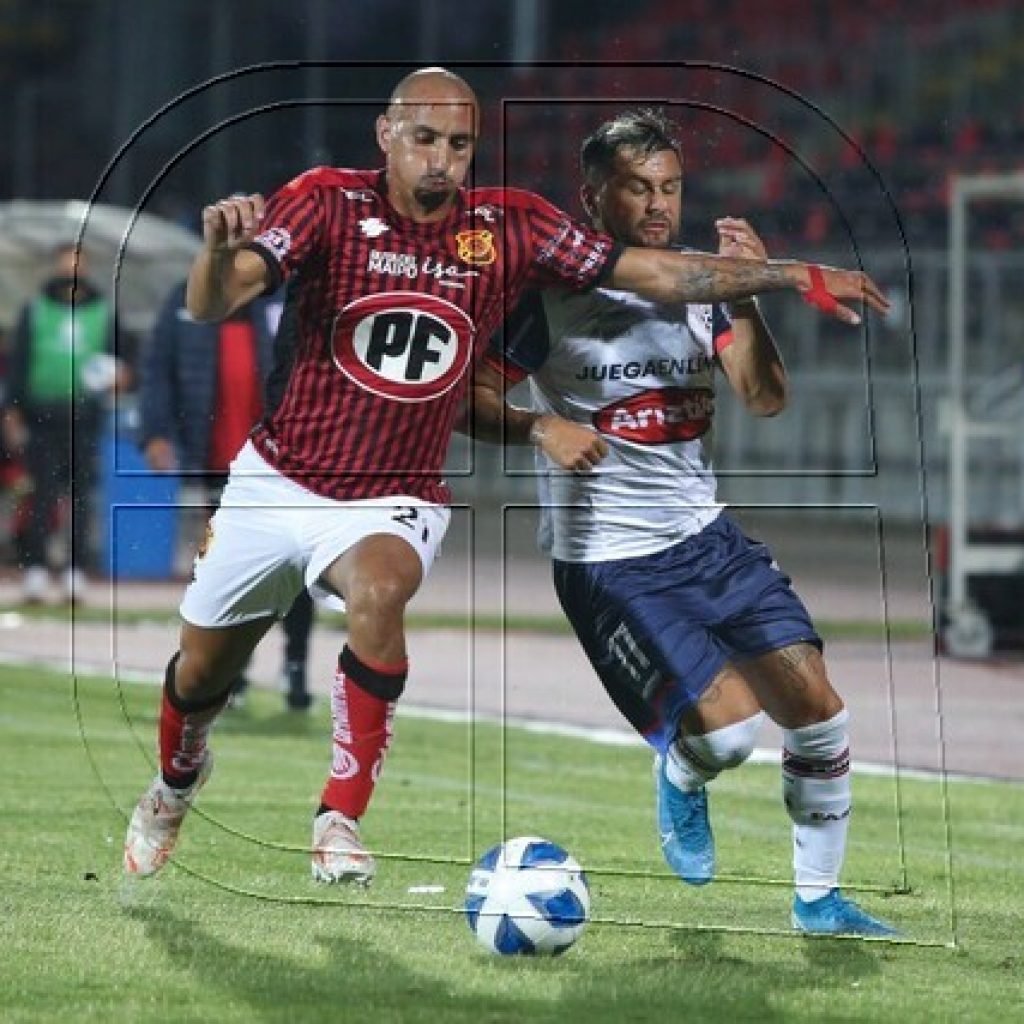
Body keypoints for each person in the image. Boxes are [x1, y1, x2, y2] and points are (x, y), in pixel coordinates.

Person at [122, 68, 889, 887]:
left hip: (397, 492)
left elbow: (664, 279)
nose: (442, 160)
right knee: (201, 675)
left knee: (381, 595)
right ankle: (176, 781)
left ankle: (338, 816)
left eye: (459, 144)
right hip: (281, 479)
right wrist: (214, 254)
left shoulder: (512, 228)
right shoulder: (323, 200)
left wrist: (791, 275)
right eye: (425, 139)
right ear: (386, 133)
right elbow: (214, 302)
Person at [468, 109, 896, 936]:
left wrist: (760, 293)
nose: (659, 205)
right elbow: (468, 401)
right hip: (611, 560)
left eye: (670, 187)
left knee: (821, 713)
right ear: (595, 199)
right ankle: (683, 775)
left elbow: (765, 399)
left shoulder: (708, 292)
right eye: (638, 189)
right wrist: (537, 425)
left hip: (709, 539)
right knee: (730, 737)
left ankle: (819, 903)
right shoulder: (550, 298)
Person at [140, 279, 314, 711]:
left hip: (289, 460)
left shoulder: (285, 295)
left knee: (300, 566)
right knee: (234, 572)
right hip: (220, 460)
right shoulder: (188, 297)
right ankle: (233, 670)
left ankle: (295, 665)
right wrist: (154, 432)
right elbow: (158, 367)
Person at [1, 244, 126, 604]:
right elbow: (19, 362)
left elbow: (122, 360)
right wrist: (12, 410)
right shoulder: (36, 310)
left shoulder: (103, 312)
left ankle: (75, 572)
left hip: (85, 416)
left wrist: (121, 378)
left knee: (82, 497)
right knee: (42, 495)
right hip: (43, 415)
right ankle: (36, 570)